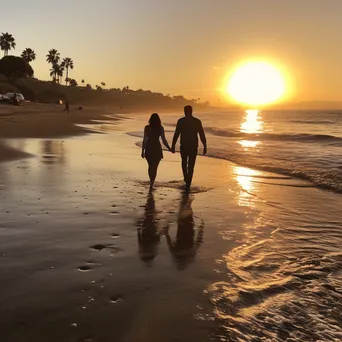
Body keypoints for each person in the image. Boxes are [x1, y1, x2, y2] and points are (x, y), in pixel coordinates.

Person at [171, 105, 207, 190]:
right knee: (191, 165)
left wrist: (173, 145)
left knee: (184, 163)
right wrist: (205, 146)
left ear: (185, 111)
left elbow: (176, 134)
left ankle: (186, 178)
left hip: (184, 145)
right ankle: (188, 181)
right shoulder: (197, 121)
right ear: (191, 111)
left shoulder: (181, 121)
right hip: (193, 146)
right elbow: (202, 134)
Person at [141, 113, 171, 191]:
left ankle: (151, 181)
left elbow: (144, 140)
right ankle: (152, 183)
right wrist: (169, 148)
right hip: (157, 147)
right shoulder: (160, 128)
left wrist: (142, 151)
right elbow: (164, 140)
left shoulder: (147, 128)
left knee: (150, 166)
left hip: (149, 147)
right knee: (155, 167)